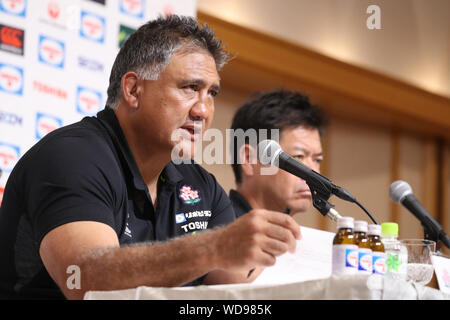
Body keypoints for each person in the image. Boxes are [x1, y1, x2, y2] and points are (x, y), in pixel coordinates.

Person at [0, 16, 301, 300]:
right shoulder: (73, 156)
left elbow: (234, 286)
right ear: (133, 90)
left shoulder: (200, 184)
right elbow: (84, 280)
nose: (203, 111)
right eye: (190, 88)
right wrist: (213, 247)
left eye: (211, 93)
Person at [229, 89, 327, 218]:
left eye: (317, 160)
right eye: (298, 157)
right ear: (249, 159)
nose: (313, 174)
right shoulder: (218, 231)